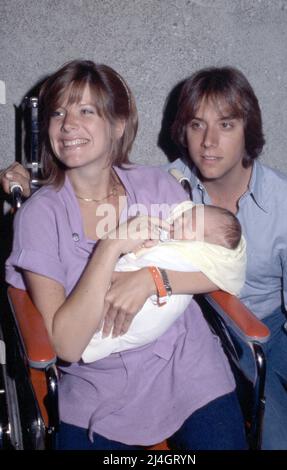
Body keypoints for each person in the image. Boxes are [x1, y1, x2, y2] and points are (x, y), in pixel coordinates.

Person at [4, 60, 247, 450]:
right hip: (99, 388)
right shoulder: (39, 216)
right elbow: (66, 345)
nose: (68, 124)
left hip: (187, 369)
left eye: (86, 111)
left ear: (118, 125)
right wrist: (110, 247)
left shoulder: (156, 186)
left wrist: (155, 279)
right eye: (59, 112)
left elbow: (226, 265)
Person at [165, 66, 287, 450]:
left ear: (248, 131)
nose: (208, 142)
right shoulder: (170, 187)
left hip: (282, 328)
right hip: (218, 332)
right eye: (196, 125)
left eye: (225, 125)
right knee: (272, 438)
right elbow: (99, 196)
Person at [82, 200, 246, 362]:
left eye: (189, 224)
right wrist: (144, 248)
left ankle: (93, 339)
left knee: (110, 323)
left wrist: (141, 262)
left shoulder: (191, 258)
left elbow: (159, 262)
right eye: (183, 216)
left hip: (149, 312)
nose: (180, 220)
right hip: (121, 293)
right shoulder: (175, 241)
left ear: (203, 245)